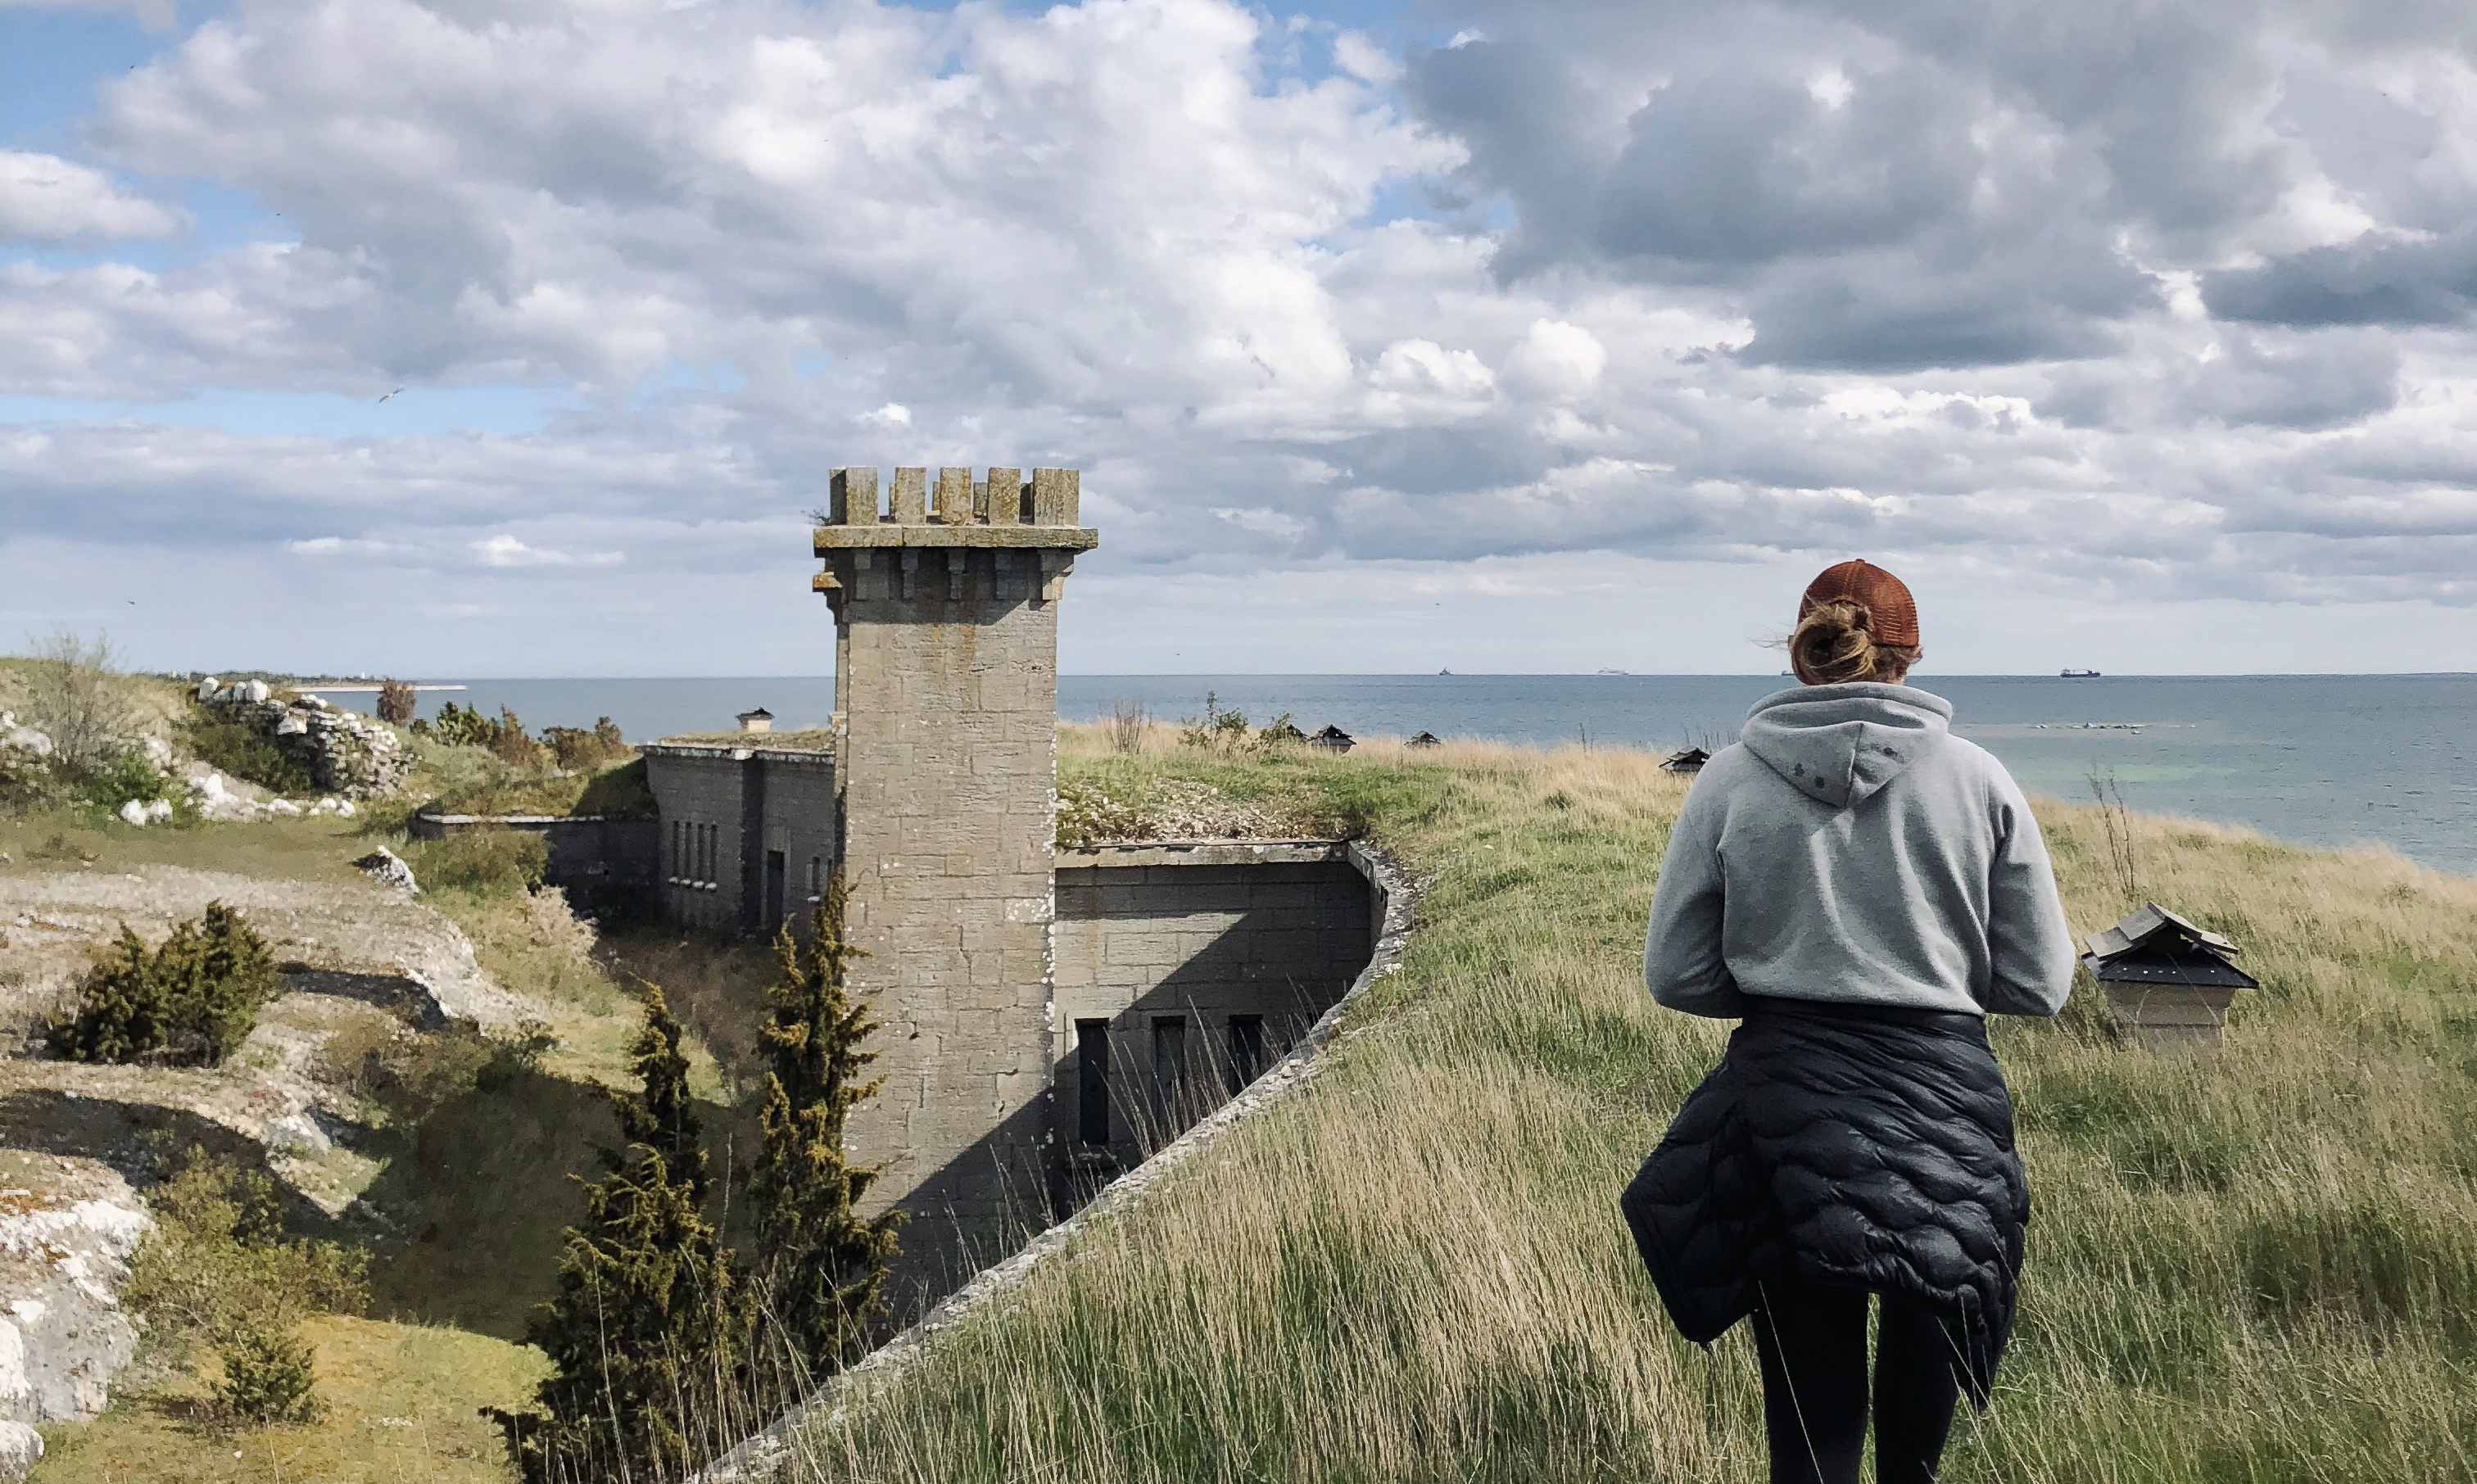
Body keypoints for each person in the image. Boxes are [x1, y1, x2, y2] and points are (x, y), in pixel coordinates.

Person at [1619, 559, 2076, 1484]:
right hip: (1947, 1116)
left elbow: (1677, 972)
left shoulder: (1730, 780)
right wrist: (1931, 977)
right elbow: (2042, 984)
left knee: (1809, 1443)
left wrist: (1786, 990)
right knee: (1913, 1460)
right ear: (1910, 656)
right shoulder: (1980, 779)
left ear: (1804, 654)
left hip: (1785, 1114)